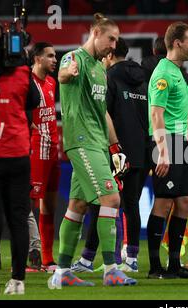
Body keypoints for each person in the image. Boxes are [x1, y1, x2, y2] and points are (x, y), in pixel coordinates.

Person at [48, 13, 136, 288]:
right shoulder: (73, 58)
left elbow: (104, 113)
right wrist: (66, 74)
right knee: (111, 200)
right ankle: (110, 268)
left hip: (98, 142)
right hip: (82, 140)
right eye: (111, 38)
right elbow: (63, 74)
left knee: (78, 206)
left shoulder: (101, 69)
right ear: (96, 33)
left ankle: (61, 273)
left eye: (116, 40)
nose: (113, 45)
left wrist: (115, 147)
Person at [71, 37, 150, 273]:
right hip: (140, 151)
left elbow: (103, 114)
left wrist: (112, 146)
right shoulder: (144, 80)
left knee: (100, 205)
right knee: (132, 205)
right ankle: (132, 259)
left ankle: (88, 260)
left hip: (114, 151)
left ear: (108, 55)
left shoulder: (108, 77)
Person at [0, 18, 40, 295]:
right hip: (16, 153)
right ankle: (17, 281)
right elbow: (34, 103)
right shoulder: (21, 72)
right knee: (19, 218)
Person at [146, 21, 188, 279]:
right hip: (165, 143)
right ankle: (156, 267)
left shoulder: (177, 71)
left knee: (184, 202)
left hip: (181, 144)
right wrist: (163, 152)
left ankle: (175, 264)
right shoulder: (163, 73)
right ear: (177, 43)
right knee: (164, 202)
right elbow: (156, 115)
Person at [27, 42, 60, 272]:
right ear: (37, 58)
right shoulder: (25, 82)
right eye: (50, 56)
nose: (55, 60)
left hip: (53, 148)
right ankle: (30, 254)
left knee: (49, 204)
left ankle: (47, 259)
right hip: (34, 149)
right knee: (28, 204)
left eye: (55, 56)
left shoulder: (52, 82)